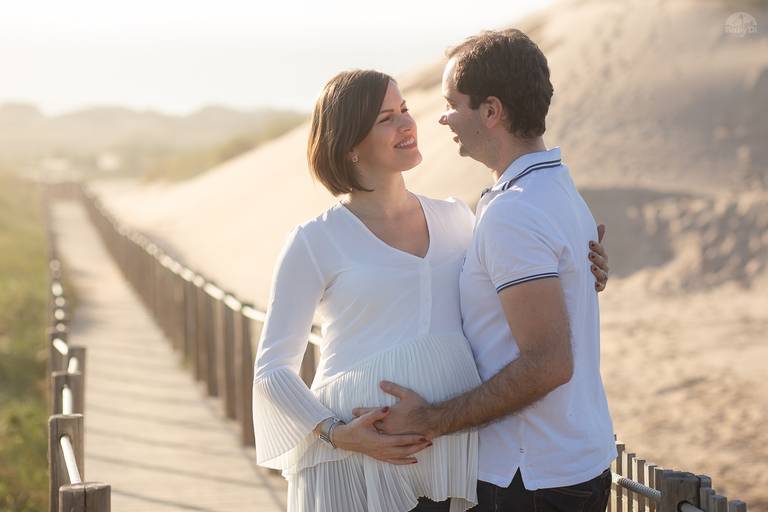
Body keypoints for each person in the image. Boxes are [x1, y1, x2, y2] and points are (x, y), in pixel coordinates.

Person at [252, 68, 610, 512]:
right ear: (349, 144)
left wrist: (585, 267)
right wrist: (336, 434)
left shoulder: (457, 219)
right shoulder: (314, 240)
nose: (407, 123)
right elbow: (272, 370)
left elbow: (519, 275)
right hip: (353, 463)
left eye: (404, 109)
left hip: (448, 460)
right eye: (386, 118)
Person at [351, 30, 616, 512]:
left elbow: (549, 363)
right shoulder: (555, 188)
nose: (443, 117)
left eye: (452, 104)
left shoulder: (516, 210)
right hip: (566, 465)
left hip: (530, 478)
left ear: (491, 111)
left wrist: (429, 420)